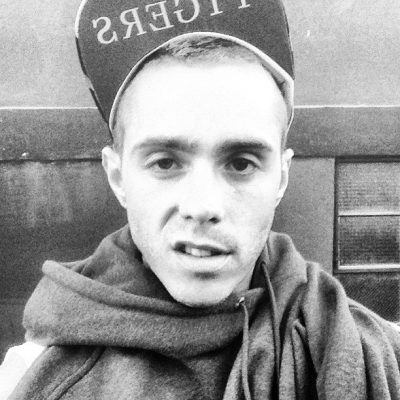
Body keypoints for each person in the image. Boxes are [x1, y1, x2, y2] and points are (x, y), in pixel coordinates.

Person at [2, 0, 400, 399]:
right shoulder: (30, 377)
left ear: (281, 177)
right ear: (118, 176)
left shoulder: (370, 351)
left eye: (241, 164)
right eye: (165, 163)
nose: (203, 206)